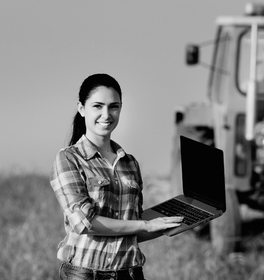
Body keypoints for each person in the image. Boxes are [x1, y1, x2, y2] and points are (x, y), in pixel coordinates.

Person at [50, 73, 183, 280]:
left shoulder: (130, 163)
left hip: (130, 274)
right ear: (81, 108)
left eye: (114, 106)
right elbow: (85, 224)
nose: (106, 114)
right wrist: (146, 224)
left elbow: (133, 229)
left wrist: (173, 224)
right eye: (97, 106)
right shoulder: (69, 159)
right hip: (87, 275)